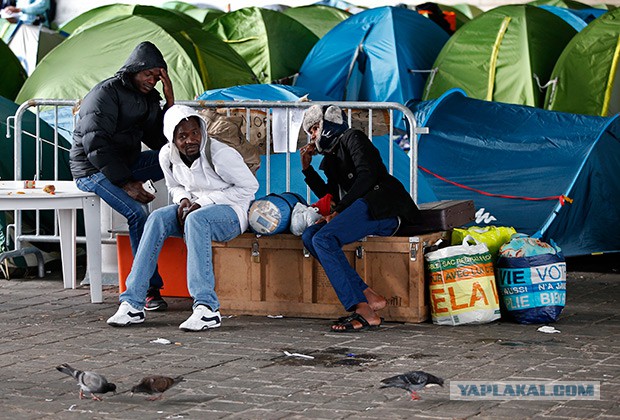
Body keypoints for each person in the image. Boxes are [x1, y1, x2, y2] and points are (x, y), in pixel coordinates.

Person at [106, 104, 259, 331]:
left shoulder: (220, 154)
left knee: (197, 220)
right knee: (156, 218)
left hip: (232, 212)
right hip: (192, 209)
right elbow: (174, 185)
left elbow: (249, 187)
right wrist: (183, 200)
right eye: (183, 136)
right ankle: (132, 303)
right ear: (172, 139)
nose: (190, 140)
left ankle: (207, 308)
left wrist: (203, 203)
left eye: (195, 133)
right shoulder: (167, 155)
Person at [299, 104, 422, 332]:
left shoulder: (353, 137)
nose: (313, 136)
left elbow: (367, 176)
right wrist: (308, 170)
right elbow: (332, 196)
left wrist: (340, 210)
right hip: (362, 210)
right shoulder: (332, 157)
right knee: (310, 236)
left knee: (323, 239)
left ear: (327, 125)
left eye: (315, 129)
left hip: (385, 208)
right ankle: (366, 294)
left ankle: (363, 309)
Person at [70, 41, 174, 311]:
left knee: (174, 157)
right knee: (138, 214)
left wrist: (169, 99)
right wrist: (126, 182)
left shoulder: (149, 98)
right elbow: (96, 145)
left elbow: (160, 141)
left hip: (124, 164)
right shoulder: (106, 93)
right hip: (91, 168)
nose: (151, 81)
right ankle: (146, 289)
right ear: (133, 70)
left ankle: (190, 206)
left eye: (156, 76)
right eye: (147, 74)